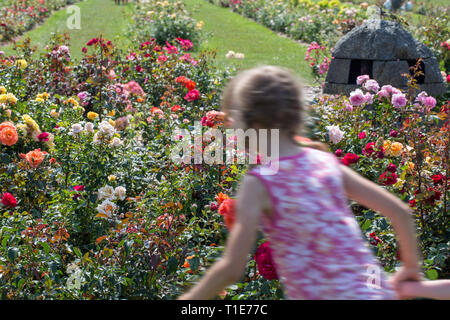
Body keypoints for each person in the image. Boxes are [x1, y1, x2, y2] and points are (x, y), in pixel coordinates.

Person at [178, 65, 422, 300]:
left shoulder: (261, 183)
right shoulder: (324, 161)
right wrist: (410, 268)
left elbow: (232, 268)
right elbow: (399, 211)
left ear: (252, 123)